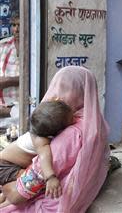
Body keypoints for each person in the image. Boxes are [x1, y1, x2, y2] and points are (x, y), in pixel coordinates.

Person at [0, 66, 110, 212]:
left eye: (65, 88)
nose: (58, 92)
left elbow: (17, 196)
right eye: (58, 86)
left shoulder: (72, 133)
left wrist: (50, 177)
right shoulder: (94, 121)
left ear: (81, 92)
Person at [0, 100, 74, 206]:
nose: (74, 119)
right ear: (58, 129)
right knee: (24, 187)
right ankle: (4, 205)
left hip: (8, 163)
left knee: (12, 189)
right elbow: (44, 157)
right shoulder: (40, 141)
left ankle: (4, 198)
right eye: (71, 119)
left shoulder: (42, 128)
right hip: (5, 166)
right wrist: (50, 177)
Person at [0, 14, 20, 119]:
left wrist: (9, 81)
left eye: (20, 25)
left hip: (22, 110)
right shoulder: (3, 46)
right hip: (3, 109)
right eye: (14, 25)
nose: (16, 29)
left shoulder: (35, 47)